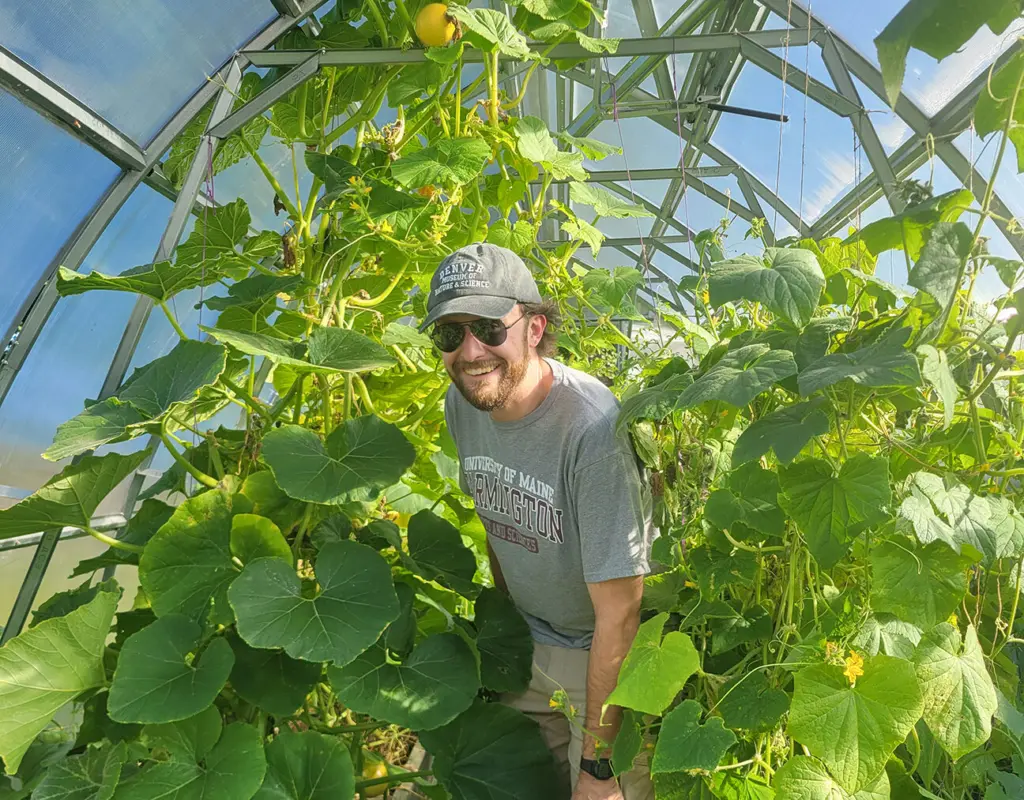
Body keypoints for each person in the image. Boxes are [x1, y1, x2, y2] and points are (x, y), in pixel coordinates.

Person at [418, 242, 656, 800]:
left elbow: (620, 614)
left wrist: (599, 769)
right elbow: (496, 522)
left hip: (598, 657)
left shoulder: (592, 433)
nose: (470, 352)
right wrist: (506, 635)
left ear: (533, 327)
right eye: (450, 335)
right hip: (526, 646)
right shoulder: (464, 404)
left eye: (488, 328)